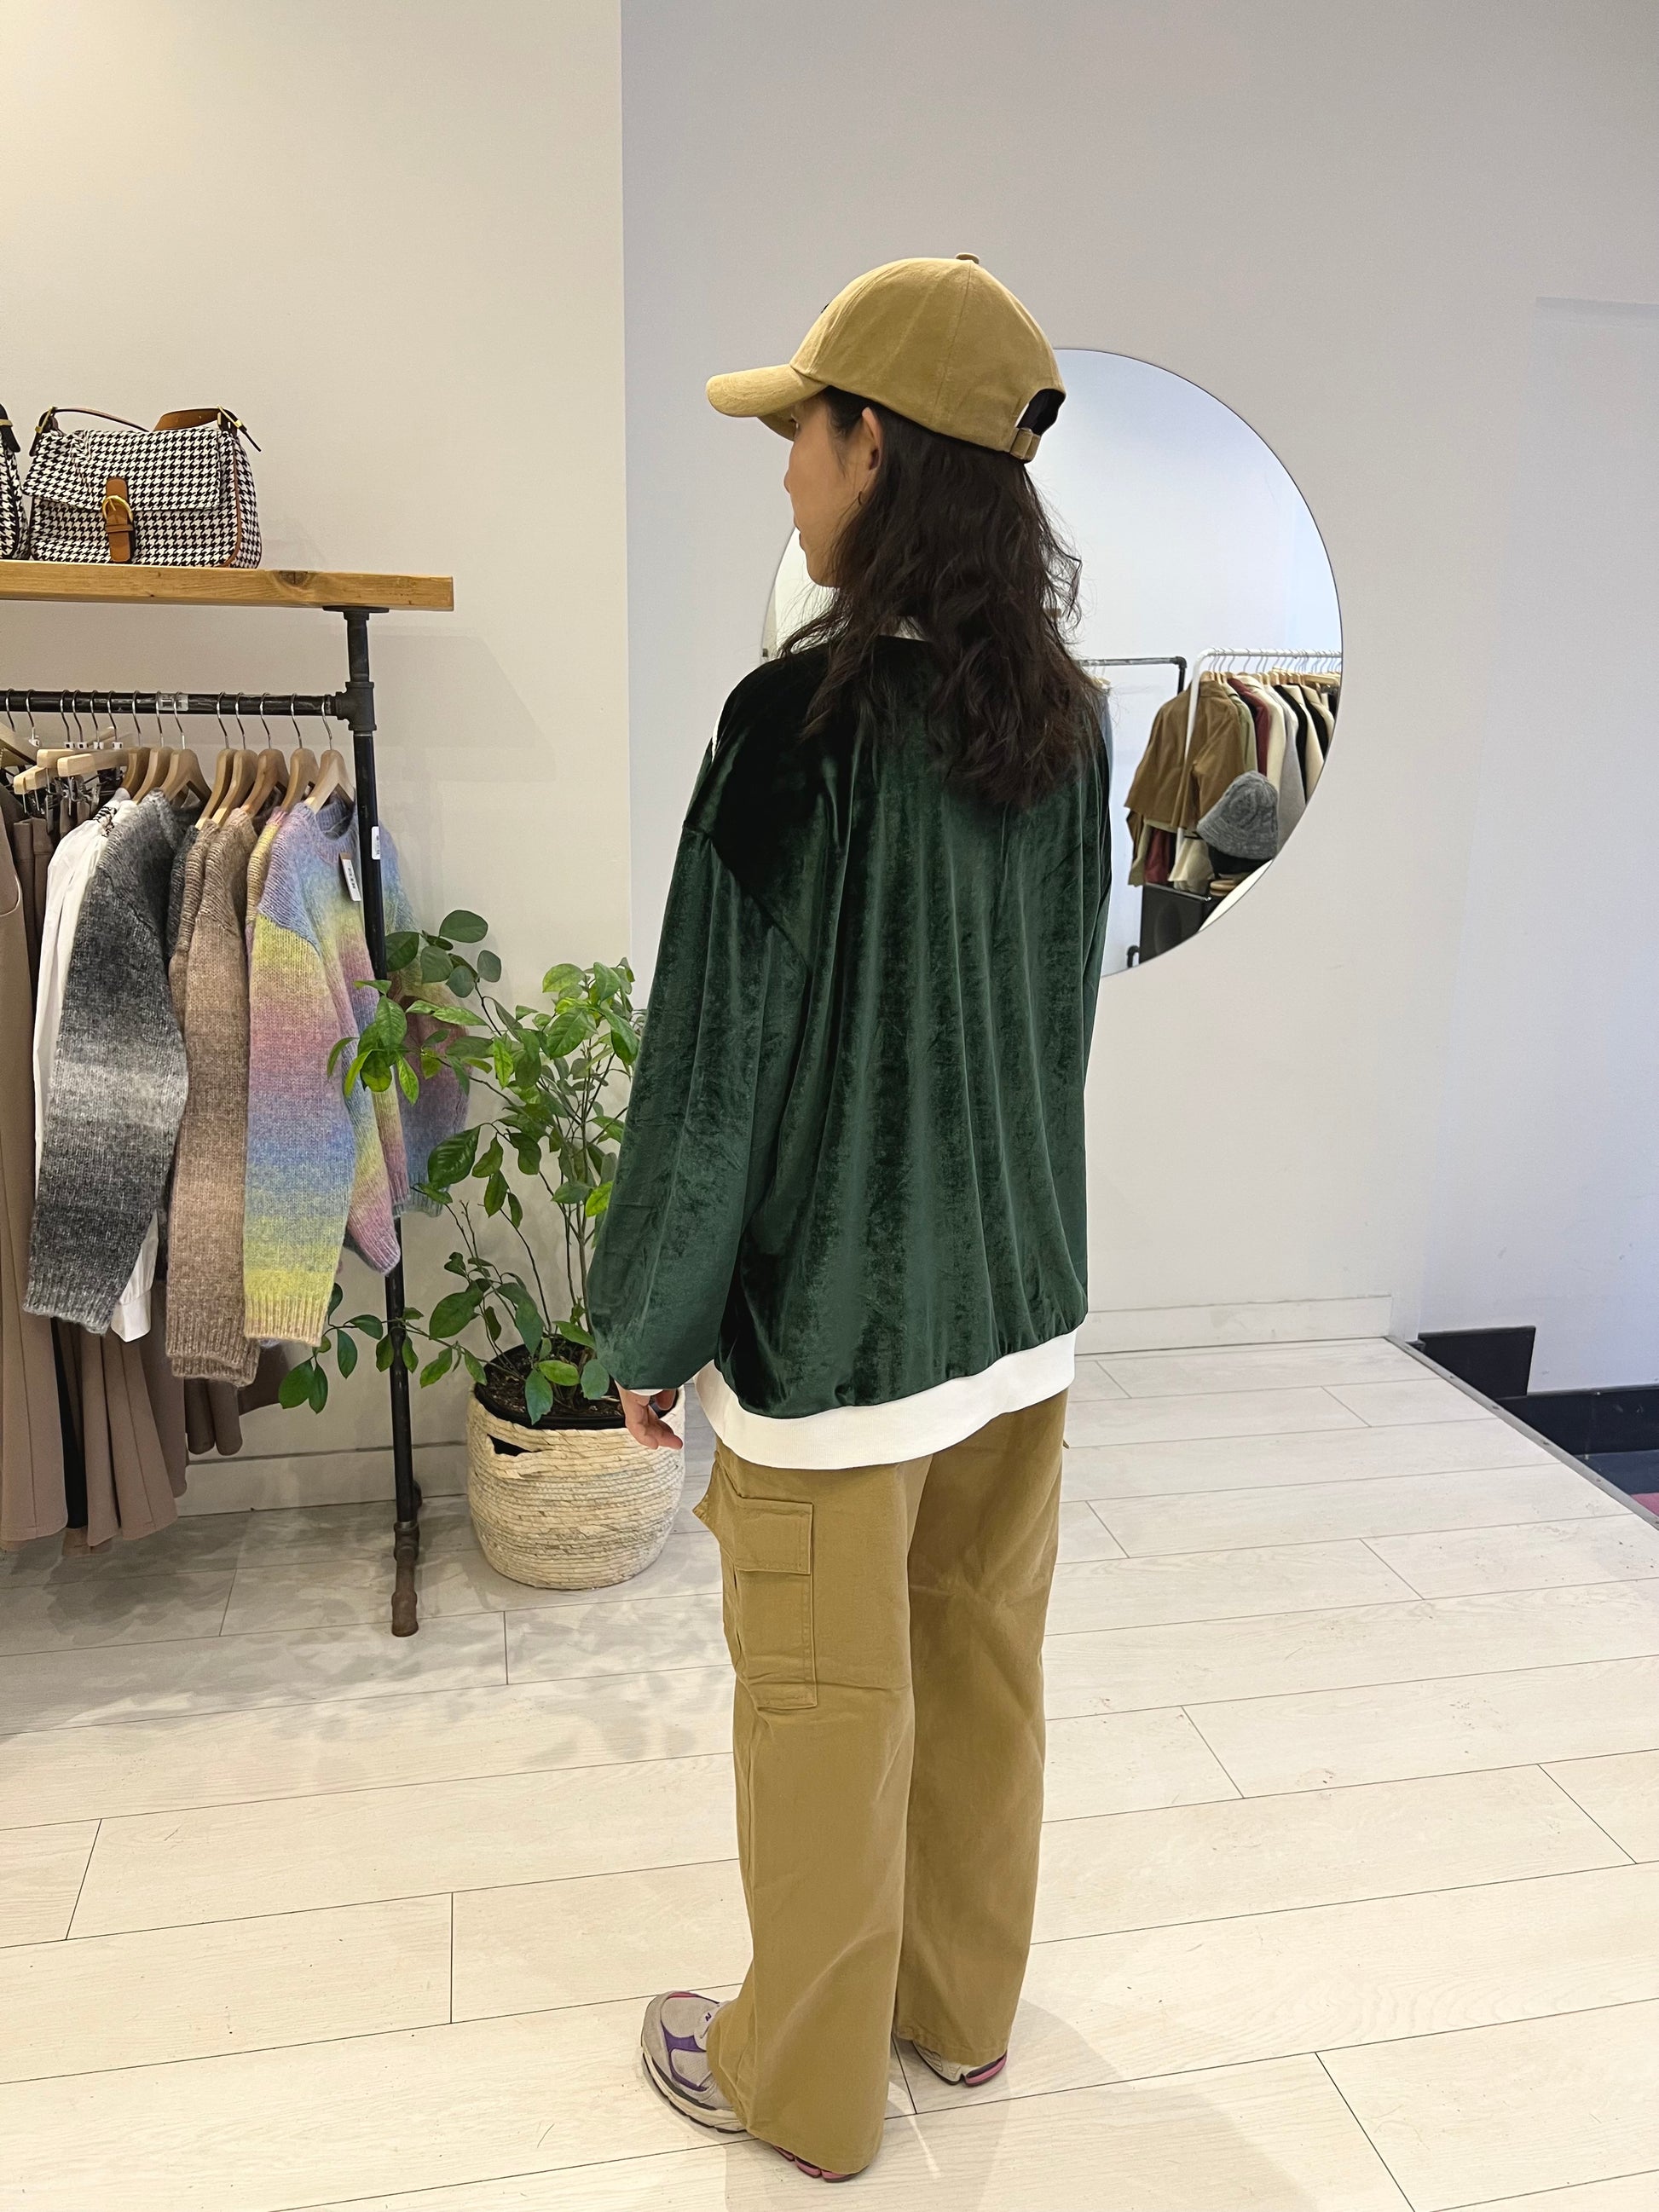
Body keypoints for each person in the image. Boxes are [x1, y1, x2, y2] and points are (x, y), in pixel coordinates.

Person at [587, 253, 1111, 2183]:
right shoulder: (1063, 730)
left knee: (823, 1704)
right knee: (978, 1665)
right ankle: (959, 2011)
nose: (785, 470)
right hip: (1020, 1308)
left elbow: (711, 1068)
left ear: (873, 447)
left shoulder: (790, 729)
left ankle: (802, 2084)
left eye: (800, 433)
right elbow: (1054, 1034)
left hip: (840, 1335)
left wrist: (648, 1330)